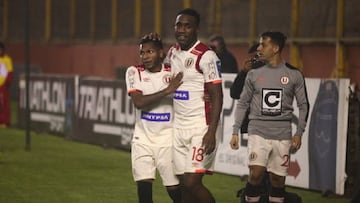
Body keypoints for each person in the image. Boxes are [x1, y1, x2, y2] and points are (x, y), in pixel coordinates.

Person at [230, 31, 309, 203]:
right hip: (257, 130)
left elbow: (304, 105)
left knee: (277, 180)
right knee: (256, 173)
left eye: (262, 45)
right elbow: (238, 97)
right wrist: (235, 130)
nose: (259, 50)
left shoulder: (293, 74)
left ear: (275, 48)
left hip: (282, 133)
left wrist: (299, 132)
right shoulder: (252, 73)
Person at [165, 8, 223, 203]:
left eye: (187, 26)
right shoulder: (172, 52)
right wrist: (153, 43)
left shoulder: (206, 56)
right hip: (179, 126)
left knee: (192, 183)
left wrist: (211, 131)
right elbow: (158, 71)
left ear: (196, 29)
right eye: (178, 25)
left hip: (201, 126)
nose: (182, 30)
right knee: (183, 183)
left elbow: (217, 95)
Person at [125, 35, 183, 203]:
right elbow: (139, 102)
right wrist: (167, 91)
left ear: (160, 53)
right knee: (144, 193)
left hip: (168, 140)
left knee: (175, 192)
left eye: (149, 52)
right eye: (142, 53)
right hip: (142, 140)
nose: (145, 56)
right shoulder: (134, 72)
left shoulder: (172, 72)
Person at [0, 42, 13, 128]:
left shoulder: (7, 60)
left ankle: (4, 122)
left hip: (2, 86)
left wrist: (6, 83)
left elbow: (10, 73)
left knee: (3, 104)